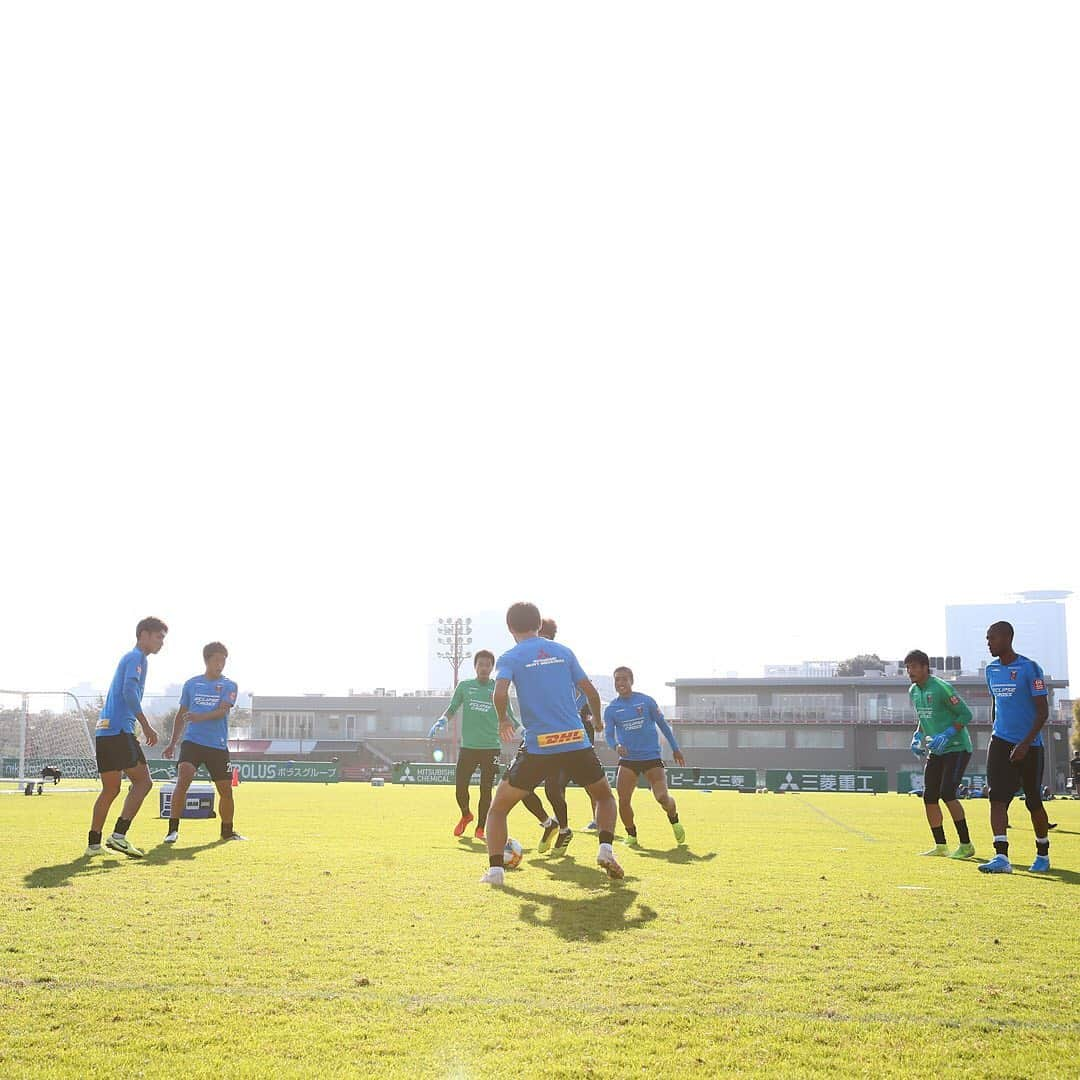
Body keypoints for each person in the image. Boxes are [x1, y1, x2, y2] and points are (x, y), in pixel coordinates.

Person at [480, 602, 623, 885]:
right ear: (538, 625)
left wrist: (502, 720)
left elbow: (499, 693)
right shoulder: (563, 652)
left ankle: (496, 871)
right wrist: (597, 721)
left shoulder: (511, 656)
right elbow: (591, 692)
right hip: (575, 741)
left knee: (498, 809)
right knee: (605, 796)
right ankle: (605, 848)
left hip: (540, 746)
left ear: (510, 628)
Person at [86, 617, 166, 858]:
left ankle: (93, 845)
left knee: (110, 790)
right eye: (158, 637)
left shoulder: (132, 659)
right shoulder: (136, 658)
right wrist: (146, 726)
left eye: (163, 638)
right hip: (120, 731)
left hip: (104, 730)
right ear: (143, 634)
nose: (161, 643)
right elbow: (129, 692)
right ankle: (119, 836)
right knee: (144, 783)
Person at [428, 649, 528, 840]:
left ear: (492, 667)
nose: (484, 668)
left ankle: (481, 828)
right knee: (460, 787)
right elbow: (452, 708)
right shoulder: (465, 686)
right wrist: (441, 721)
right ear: (475, 666)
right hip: (468, 748)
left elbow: (510, 716)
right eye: (480, 664)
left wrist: (522, 730)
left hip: (490, 747)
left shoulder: (498, 688)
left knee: (485, 790)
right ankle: (466, 814)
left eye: (487, 665)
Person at [978, 622, 1052, 874]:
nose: (989, 643)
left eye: (993, 638)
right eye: (987, 638)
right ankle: (1001, 857)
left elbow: (1043, 712)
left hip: (1030, 745)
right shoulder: (991, 670)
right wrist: (996, 732)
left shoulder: (1030, 668)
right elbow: (995, 704)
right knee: (996, 799)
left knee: (1033, 802)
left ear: (1008, 637)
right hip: (1000, 742)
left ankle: (1043, 854)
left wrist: (1025, 743)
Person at [162, 642, 244, 843]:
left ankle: (227, 831)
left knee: (225, 790)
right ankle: (172, 830)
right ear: (207, 660)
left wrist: (199, 717)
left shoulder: (229, 685)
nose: (220, 664)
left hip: (217, 745)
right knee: (184, 777)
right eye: (217, 660)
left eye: (224, 660)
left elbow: (223, 710)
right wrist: (173, 743)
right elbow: (181, 714)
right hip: (193, 742)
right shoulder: (191, 684)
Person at [534, 617, 599, 853]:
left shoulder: (560, 658)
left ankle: (593, 829)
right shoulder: (534, 661)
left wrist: (577, 710)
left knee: (587, 786)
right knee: (549, 787)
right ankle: (558, 827)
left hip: (571, 735)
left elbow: (589, 690)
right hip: (547, 734)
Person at [604, 666, 686, 848]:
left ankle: (674, 820)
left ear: (631, 681)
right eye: (617, 679)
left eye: (624, 679)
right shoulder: (611, 709)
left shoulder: (646, 701)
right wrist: (616, 746)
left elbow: (663, 726)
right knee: (623, 801)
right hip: (628, 761)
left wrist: (675, 748)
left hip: (651, 758)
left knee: (662, 798)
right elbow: (609, 735)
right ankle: (631, 835)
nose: (620, 683)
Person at [904, 649, 976, 859]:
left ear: (925, 667)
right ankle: (941, 846)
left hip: (957, 748)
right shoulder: (913, 691)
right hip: (936, 750)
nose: (910, 671)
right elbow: (924, 718)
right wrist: (917, 736)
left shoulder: (942, 688)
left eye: (914, 667)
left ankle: (966, 845)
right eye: (908, 667)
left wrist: (948, 733)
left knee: (948, 793)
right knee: (929, 797)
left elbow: (966, 714)